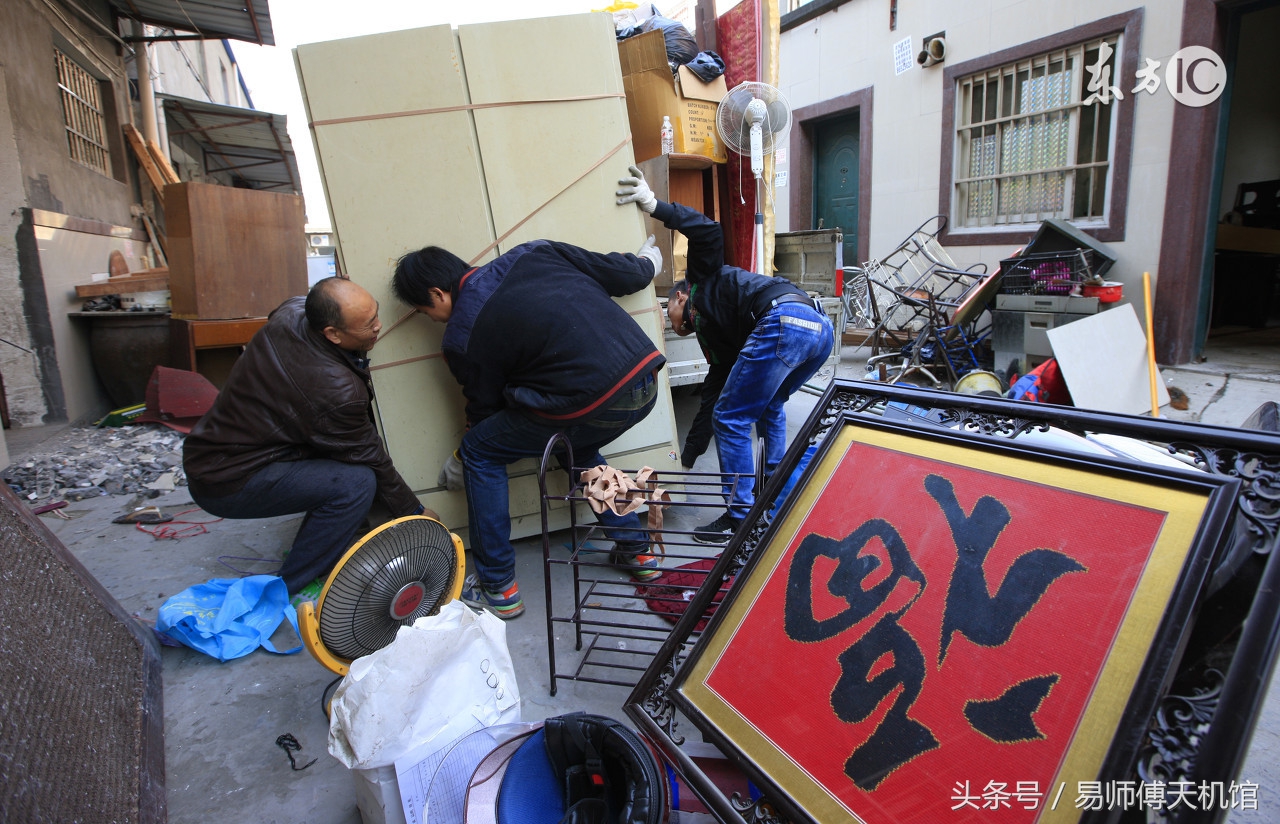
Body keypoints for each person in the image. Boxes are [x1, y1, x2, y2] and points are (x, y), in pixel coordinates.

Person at [391, 234, 667, 619]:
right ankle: (637, 551)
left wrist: (463, 451)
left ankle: (499, 587)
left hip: (586, 402)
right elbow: (620, 274)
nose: (432, 319)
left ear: (437, 294)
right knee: (577, 447)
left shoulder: (461, 335)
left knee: (479, 450)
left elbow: (485, 411)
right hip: (644, 381)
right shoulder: (536, 252)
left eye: (424, 312)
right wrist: (647, 263)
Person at [617, 165, 834, 544]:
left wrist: (655, 206)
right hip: (817, 329)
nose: (671, 325)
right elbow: (710, 401)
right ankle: (775, 500)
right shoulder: (718, 344)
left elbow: (707, 231)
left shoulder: (704, 281)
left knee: (732, 420)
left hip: (782, 319)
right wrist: (687, 458)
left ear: (680, 296)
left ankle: (740, 517)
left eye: (669, 314)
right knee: (768, 406)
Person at [183, 277, 432, 595]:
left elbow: (286, 309)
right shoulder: (336, 390)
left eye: (376, 315)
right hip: (226, 479)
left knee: (337, 463)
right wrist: (414, 512)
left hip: (208, 453)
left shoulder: (293, 312)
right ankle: (292, 585)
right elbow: (371, 456)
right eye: (368, 324)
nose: (378, 327)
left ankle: (328, 537)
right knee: (356, 485)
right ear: (332, 334)